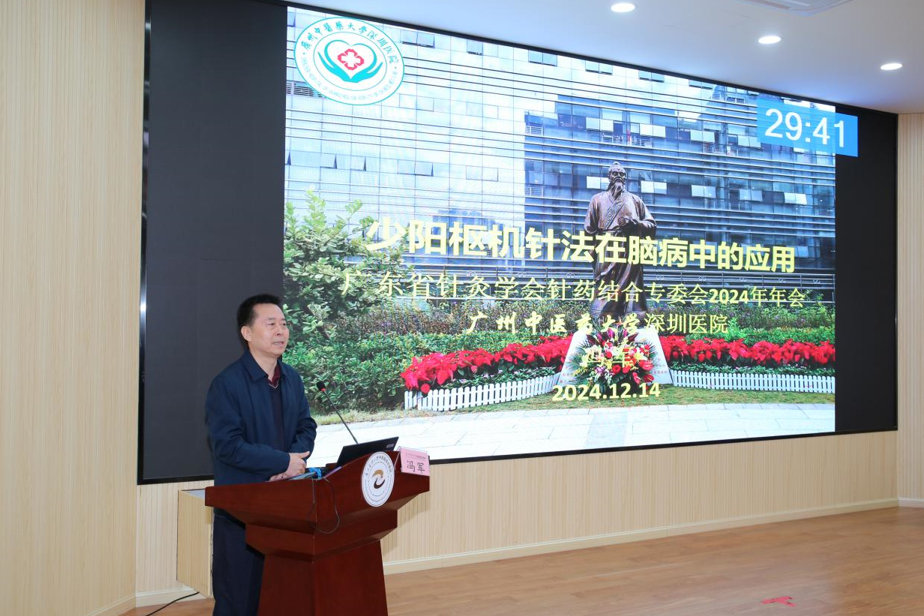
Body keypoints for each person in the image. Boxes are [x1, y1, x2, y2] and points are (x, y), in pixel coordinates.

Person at [206, 293, 318, 616]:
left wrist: (294, 462)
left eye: (284, 324)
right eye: (271, 324)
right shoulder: (226, 384)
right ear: (247, 333)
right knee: (238, 602)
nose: (281, 331)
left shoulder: (291, 378)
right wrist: (282, 462)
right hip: (243, 513)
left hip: (286, 509)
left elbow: (306, 426)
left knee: (280, 597)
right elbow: (228, 446)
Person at [584, 161, 657, 321]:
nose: (619, 177)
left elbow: (651, 224)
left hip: (629, 248)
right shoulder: (597, 199)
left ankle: (632, 318)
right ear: (609, 176)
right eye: (615, 174)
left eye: (622, 174)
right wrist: (593, 251)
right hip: (606, 249)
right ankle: (602, 317)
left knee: (631, 285)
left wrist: (636, 224)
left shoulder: (635, 200)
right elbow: (589, 229)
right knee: (605, 284)